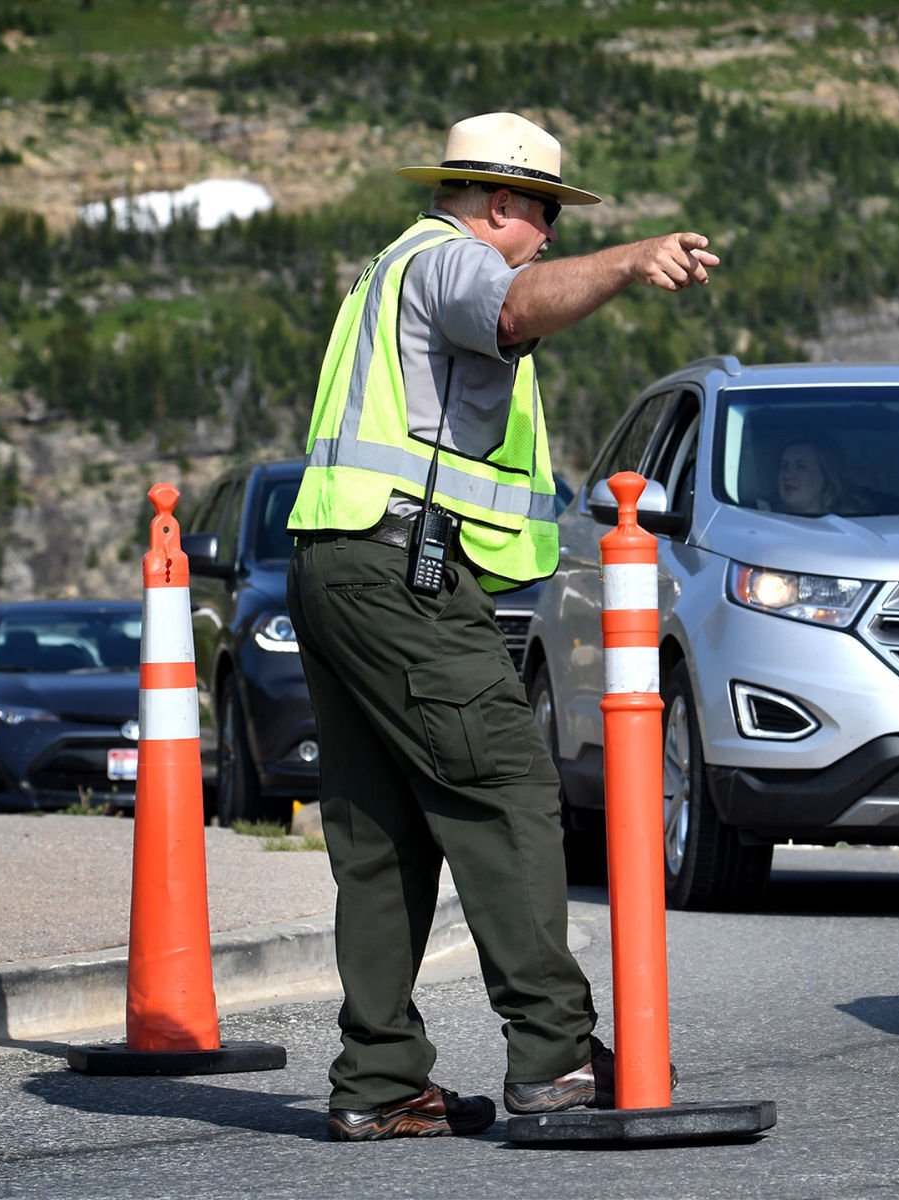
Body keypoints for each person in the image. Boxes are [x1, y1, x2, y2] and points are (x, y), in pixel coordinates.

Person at [284, 111, 717, 1142]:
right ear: (501, 205)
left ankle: (381, 1083)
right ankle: (556, 1062)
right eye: (546, 214)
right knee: (509, 793)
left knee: (384, 835)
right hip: (400, 571)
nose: (552, 235)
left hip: (340, 563)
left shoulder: (392, 270)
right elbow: (519, 305)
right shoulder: (453, 264)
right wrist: (627, 263)